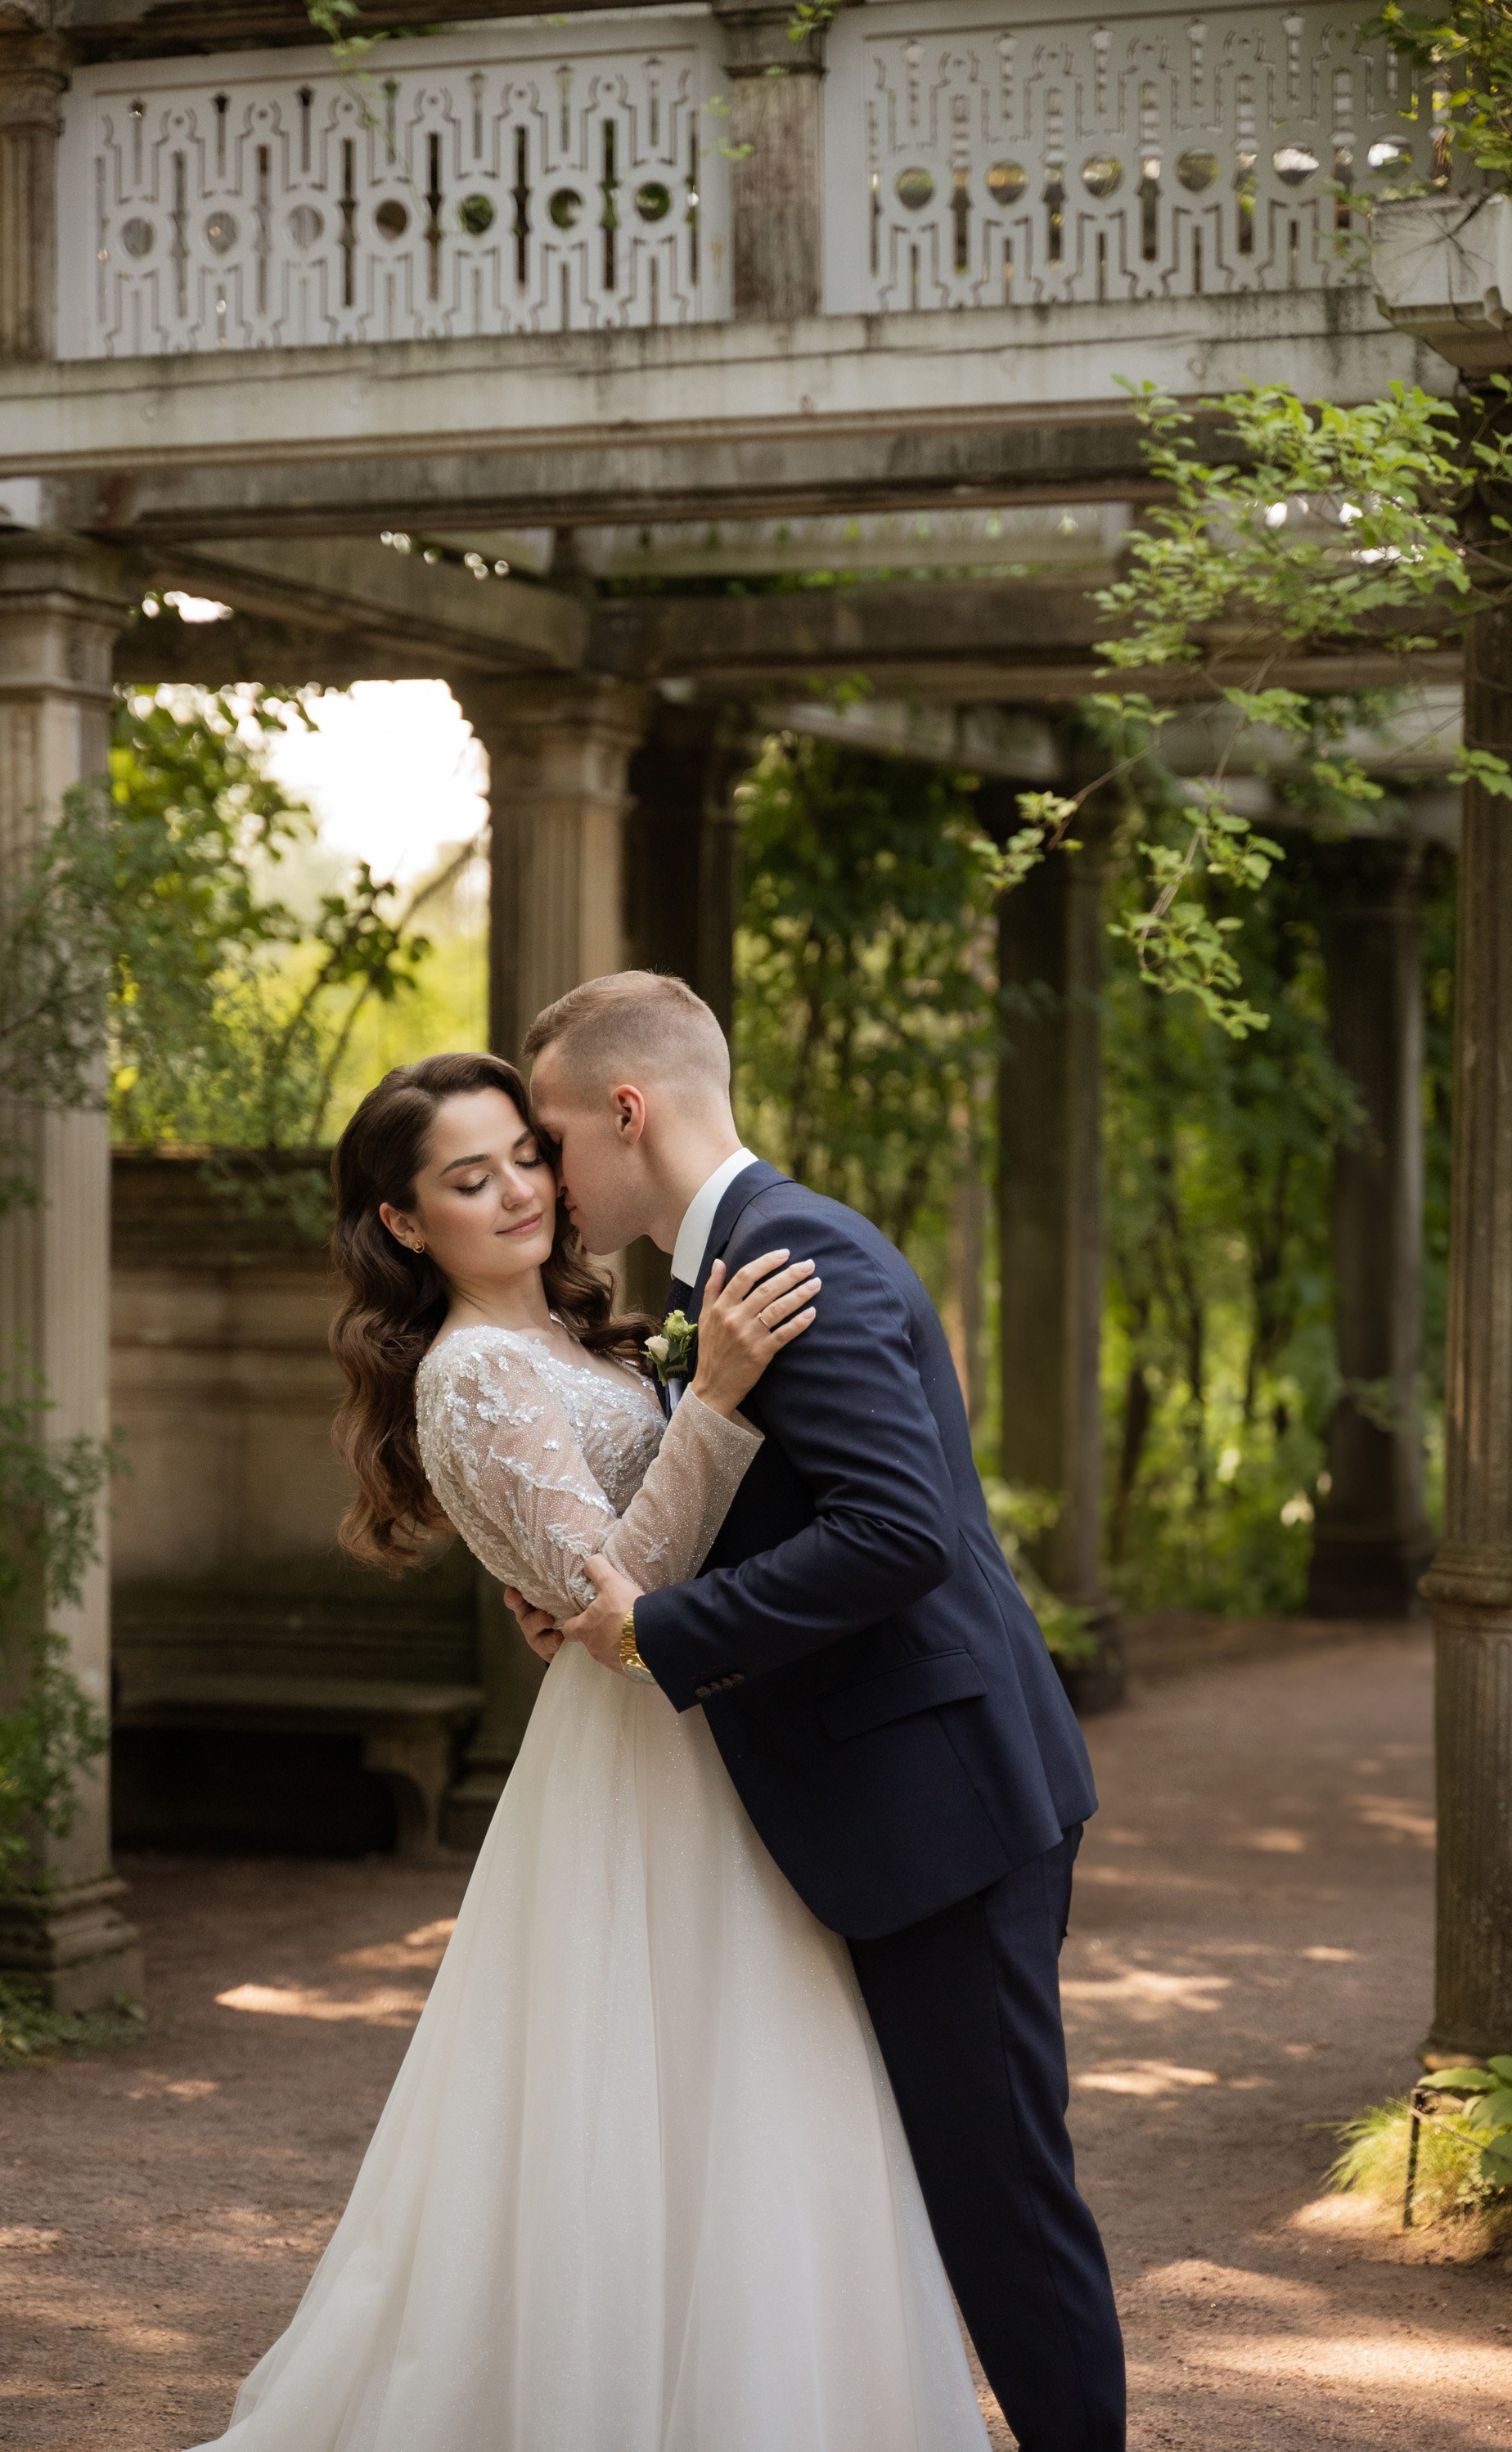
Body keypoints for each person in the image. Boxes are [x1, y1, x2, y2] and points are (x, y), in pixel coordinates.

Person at [188, 1047, 990, 2452]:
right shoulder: (473, 1375)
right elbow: (625, 1589)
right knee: (650, 2081)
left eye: (522, 1155)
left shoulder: (587, 1331)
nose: (516, 1191)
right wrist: (724, 1399)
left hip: (700, 1732)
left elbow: (604, 1587)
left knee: (759, 2080)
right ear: (401, 1221)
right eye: (465, 1176)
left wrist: (674, 1447)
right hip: (637, 1761)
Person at [512, 971, 1127, 2452]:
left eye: (550, 1138)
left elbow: (896, 1531)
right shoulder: (732, 1267)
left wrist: (655, 1630)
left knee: (1001, 2203)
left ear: (626, 1108)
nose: (545, 1177)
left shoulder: (793, 1253)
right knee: (934, 2188)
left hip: (943, 1806)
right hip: (901, 1796)